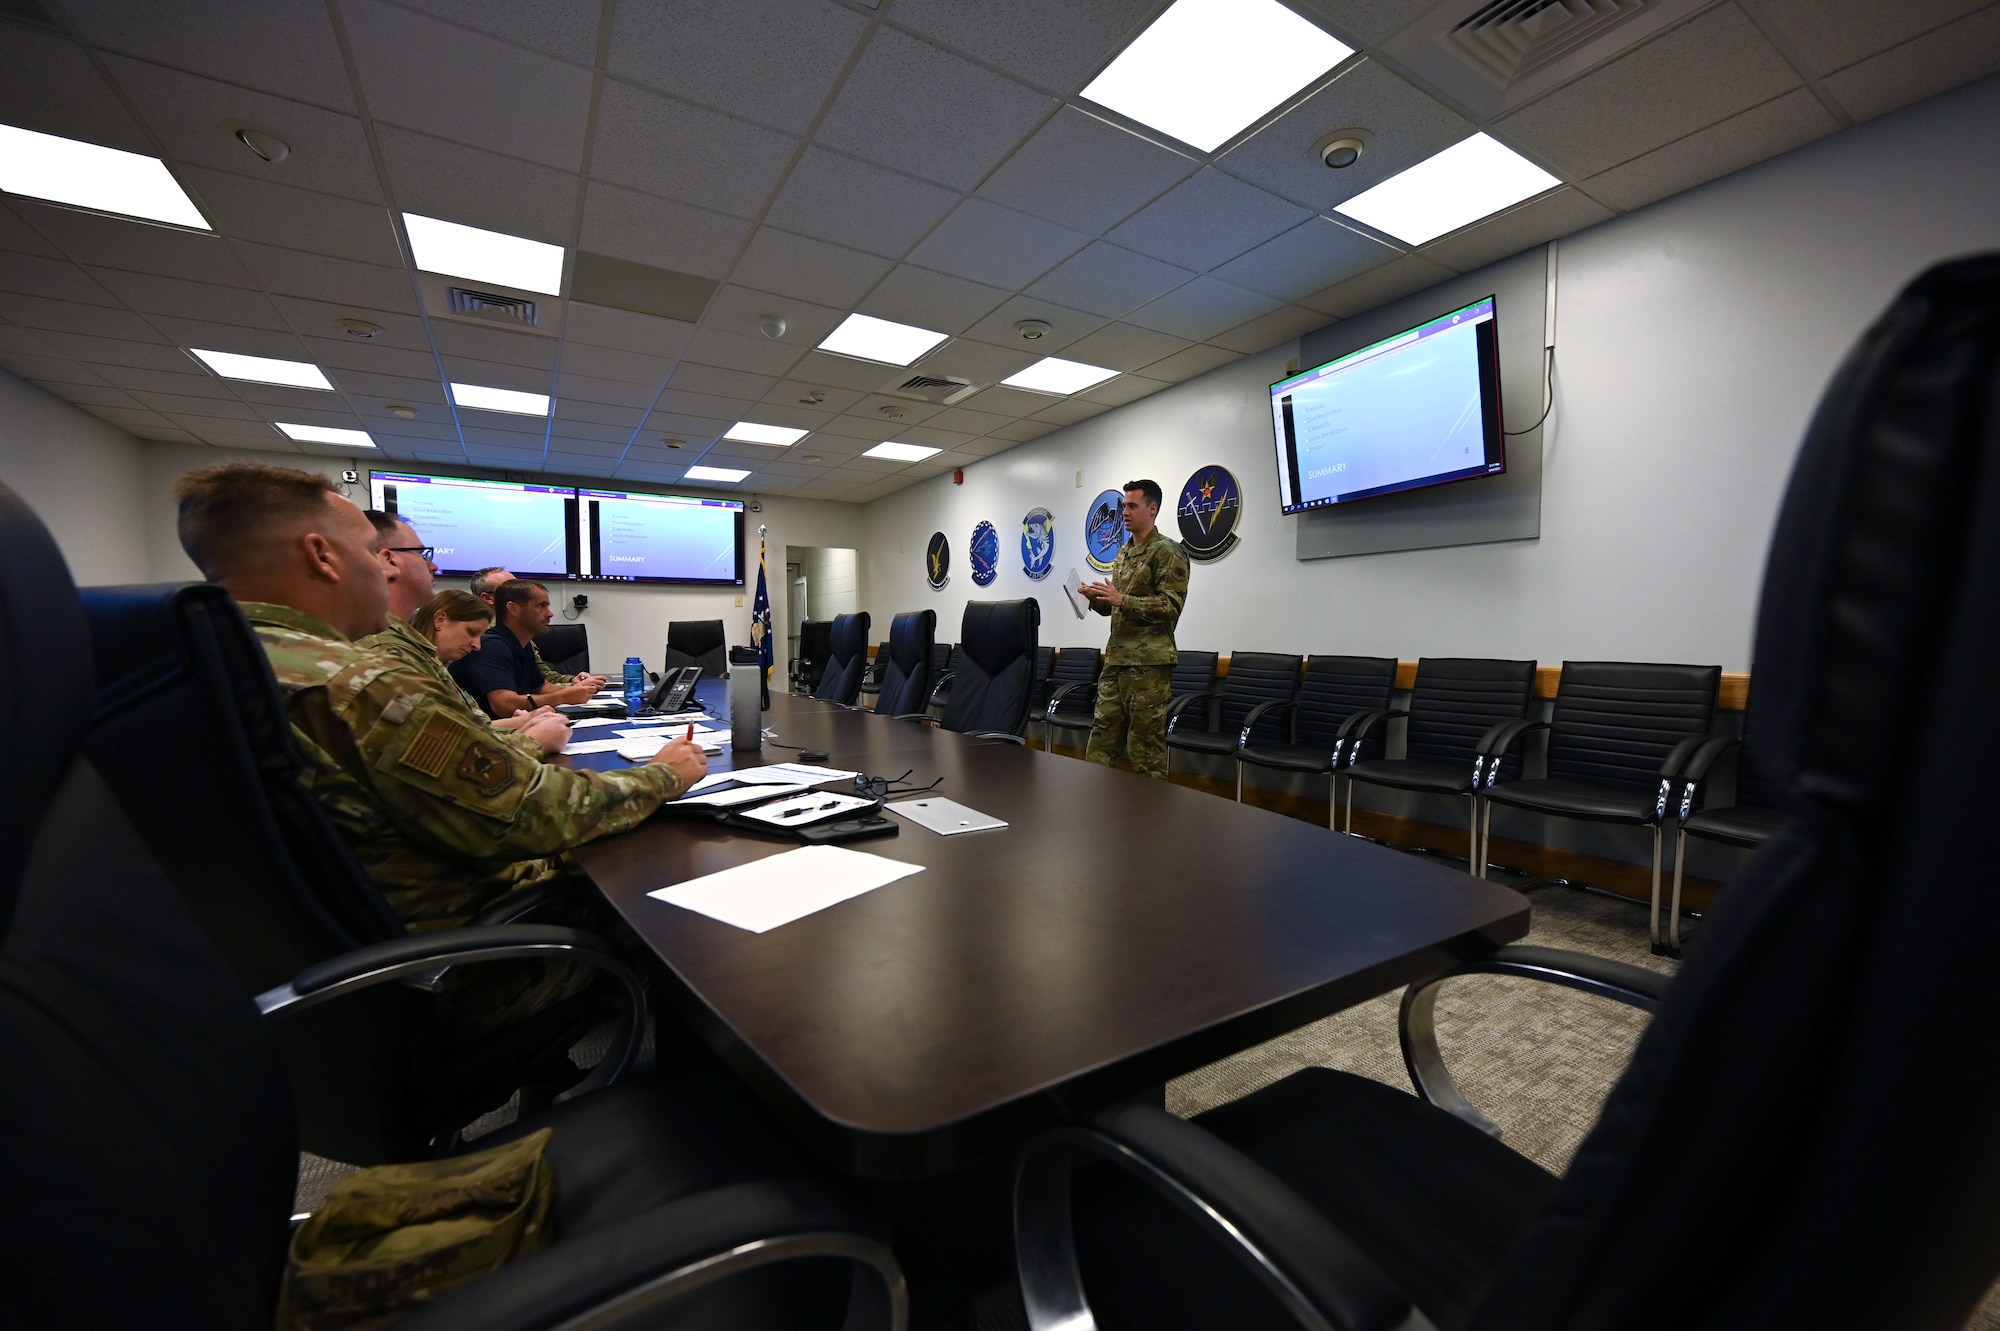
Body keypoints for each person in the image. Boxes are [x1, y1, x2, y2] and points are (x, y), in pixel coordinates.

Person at [171, 462, 707, 932]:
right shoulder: (355, 683)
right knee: (663, 882)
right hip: (459, 952)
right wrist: (664, 774)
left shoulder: (203, 658)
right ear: (322, 556)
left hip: (333, 944)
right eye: (372, 554)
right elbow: (530, 812)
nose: (386, 569)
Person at [360, 511, 570, 755]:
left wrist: (523, 723)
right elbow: (438, 754)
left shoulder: (415, 647)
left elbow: (467, 727)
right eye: (422, 554)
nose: (434, 565)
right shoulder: (387, 652)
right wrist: (532, 741)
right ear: (389, 560)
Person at [1080, 479, 1190, 780]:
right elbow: (1117, 606)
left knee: (1145, 748)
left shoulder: (1168, 552)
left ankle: (1152, 820)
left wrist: (1122, 599)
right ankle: (1097, 811)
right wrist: (1097, 599)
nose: (1124, 512)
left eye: (1132, 506)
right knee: (1102, 740)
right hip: (1117, 661)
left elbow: (1171, 606)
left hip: (1148, 667)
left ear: (1152, 510)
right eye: (1123, 506)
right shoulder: (1124, 553)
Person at [451, 579, 604, 718]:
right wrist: (562, 697)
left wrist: (578, 691)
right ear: (513, 609)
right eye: (541, 606)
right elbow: (504, 705)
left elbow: (541, 687)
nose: (550, 614)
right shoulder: (492, 646)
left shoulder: (522, 645)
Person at [470, 565, 603, 690]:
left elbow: (541, 678)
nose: (522, 590)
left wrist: (574, 681)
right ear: (488, 598)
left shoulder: (520, 636)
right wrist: (572, 690)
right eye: (510, 588)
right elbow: (510, 696)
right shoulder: (482, 637)